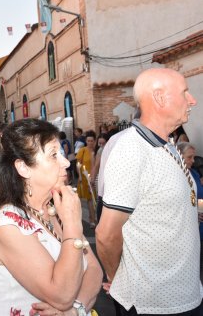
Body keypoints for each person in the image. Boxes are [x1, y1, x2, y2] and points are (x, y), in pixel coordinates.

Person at [96, 68, 201, 315]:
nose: (192, 100)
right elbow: (105, 234)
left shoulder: (169, 144)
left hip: (185, 296)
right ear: (159, 98)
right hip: (152, 305)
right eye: (185, 93)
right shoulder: (132, 150)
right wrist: (116, 277)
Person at [0, 119, 102, 315]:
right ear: (23, 168)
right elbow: (61, 294)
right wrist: (73, 226)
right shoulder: (7, 224)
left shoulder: (54, 208)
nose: (66, 162)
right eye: (53, 155)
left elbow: (94, 271)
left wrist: (76, 310)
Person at [76, 130, 97, 228]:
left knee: (95, 199)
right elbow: (78, 164)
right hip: (85, 178)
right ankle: (91, 220)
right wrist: (80, 176)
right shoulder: (83, 150)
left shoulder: (98, 150)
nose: (90, 143)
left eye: (92, 141)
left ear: (95, 141)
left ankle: (95, 218)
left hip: (96, 177)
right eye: (88, 141)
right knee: (87, 199)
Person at [90, 133, 107, 222]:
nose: (101, 145)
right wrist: (92, 178)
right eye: (99, 143)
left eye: (103, 143)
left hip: (105, 177)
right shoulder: (99, 151)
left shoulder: (105, 150)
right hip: (99, 177)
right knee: (99, 199)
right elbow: (95, 166)